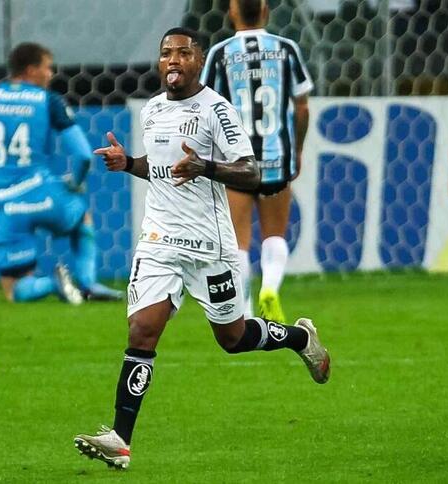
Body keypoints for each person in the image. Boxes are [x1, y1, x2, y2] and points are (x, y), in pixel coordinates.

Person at [73, 28, 330, 470]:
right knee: (142, 331)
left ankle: (300, 338)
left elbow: (251, 172)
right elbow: (161, 169)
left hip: (210, 246)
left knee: (233, 338)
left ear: (198, 62)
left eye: (183, 53)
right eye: (166, 54)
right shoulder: (152, 111)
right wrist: (128, 163)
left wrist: (206, 166)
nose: (173, 60)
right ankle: (120, 440)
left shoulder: (217, 111)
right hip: (159, 240)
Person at [0, 42, 123, 304]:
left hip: (5, 206)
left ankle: (50, 284)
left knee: (14, 290)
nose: (51, 74)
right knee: (82, 217)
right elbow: (83, 155)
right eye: (47, 67)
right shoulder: (46, 101)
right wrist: (75, 183)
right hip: (44, 194)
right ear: (32, 70)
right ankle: (88, 284)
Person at [199, 0, 313, 322]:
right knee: (275, 235)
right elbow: (302, 107)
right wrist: (299, 149)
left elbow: (204, 106)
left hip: (237, 162)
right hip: (277, 157)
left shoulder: (220, 54)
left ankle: (246, 313)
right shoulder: (286, 49)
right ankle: (271, 288)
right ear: (265, 11)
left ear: (232, 12)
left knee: (238, 242)